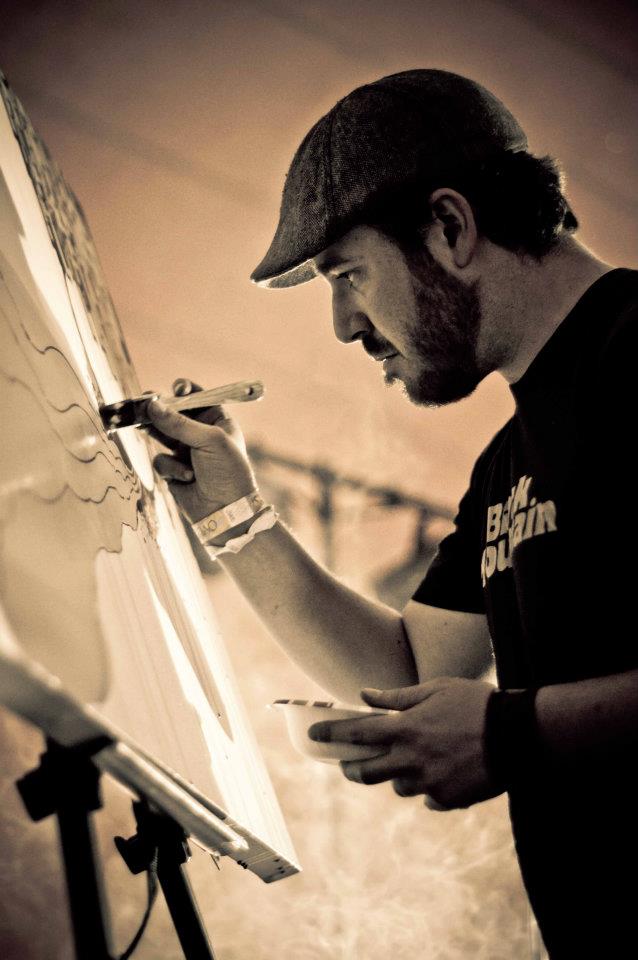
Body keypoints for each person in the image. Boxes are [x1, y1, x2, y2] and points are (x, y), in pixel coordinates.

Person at [148, 70, 638, 958]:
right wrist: (234, 515)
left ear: (450, 227)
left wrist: (510, 734)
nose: (344, 325)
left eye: (347, 275)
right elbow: (408, 666)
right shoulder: (506, 465)